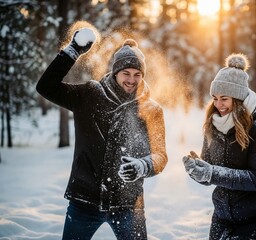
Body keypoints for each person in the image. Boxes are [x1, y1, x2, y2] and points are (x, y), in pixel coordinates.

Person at [36, 28, 168, 240]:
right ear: (116, 72)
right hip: (84, 202)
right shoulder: (89, 95)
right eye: (126, 73)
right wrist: (73, 51)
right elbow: (46, 87)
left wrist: (143, 165)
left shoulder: (151, 110)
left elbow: (160, 156)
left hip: (127, 204)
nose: (131, 80)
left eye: (137, 74)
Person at [182, 53, 256, 240]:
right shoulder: (213, 125)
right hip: (223, 218)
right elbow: (211, 173)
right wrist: (198, 171)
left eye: (224, 98)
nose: (218, 104)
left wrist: (211, 172)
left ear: (238, 99)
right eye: (214, 98)